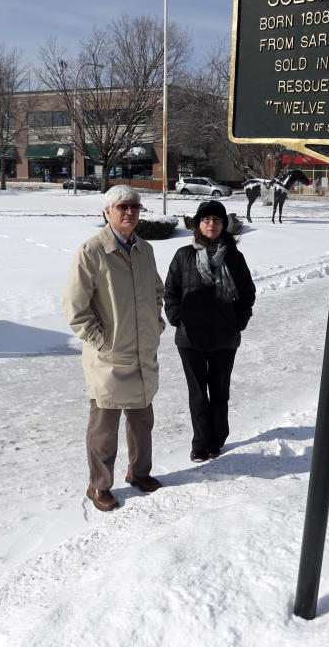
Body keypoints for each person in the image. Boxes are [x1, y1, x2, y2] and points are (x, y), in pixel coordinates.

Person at [63, 185, 165, 512]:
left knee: (141, 423)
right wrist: (101, 341)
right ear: (108, 211)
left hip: (141, 354)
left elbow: (156, 293)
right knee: (104, 429)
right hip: (108, 360)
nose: (130, 213)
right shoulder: (92, 252)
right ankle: (99, 485)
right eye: (123, 207)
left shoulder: (145, 251)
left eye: (135, 207)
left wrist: (156, 325)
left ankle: (139, 473)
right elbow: (75, 309)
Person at [164, 200, 255, 462]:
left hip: (224, 338)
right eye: (206, 220)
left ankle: (216, 440)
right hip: (190, 338)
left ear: (223, 224)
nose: (211, 224)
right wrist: (177, 318)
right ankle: (199, 443)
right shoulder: (184, 255)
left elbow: (247, 292)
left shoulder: (233, 257)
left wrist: (239, 321)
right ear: (198, 225)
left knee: (220, 392)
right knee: (197, 394)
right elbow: (170, 290)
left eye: (216, 219)